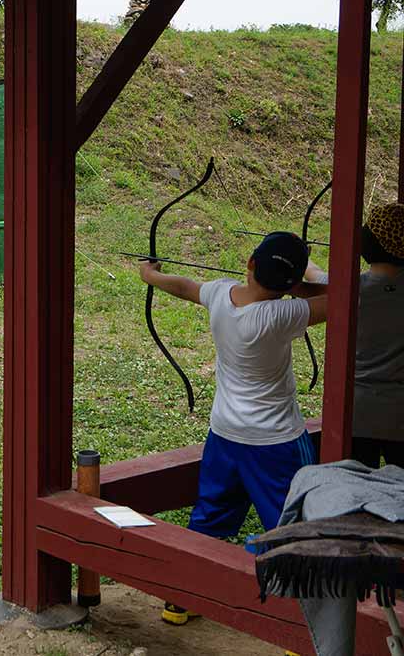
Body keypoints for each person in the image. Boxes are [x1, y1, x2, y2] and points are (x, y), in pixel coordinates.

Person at [138, 232, 328, 628]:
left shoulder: (220, 294)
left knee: (209, 518)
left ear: (250, 264)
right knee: (295, 527)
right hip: (276, 443)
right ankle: (300, 625)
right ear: (290, 286)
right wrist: (307, 280)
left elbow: (185, 286)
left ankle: (180, 599)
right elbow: (343, 299)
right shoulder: (281, 316)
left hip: (224, 435)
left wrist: (151, 276)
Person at [304, 202, 404, 469]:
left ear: (369, 242)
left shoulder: (350, 289)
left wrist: (302, 257)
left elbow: (315, 279)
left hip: (357, 412)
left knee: (354, 481)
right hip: (399, 413)